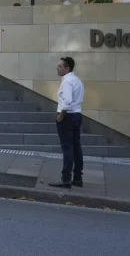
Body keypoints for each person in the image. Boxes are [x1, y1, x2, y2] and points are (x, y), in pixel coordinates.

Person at [49, 56, 85, 189]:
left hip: (67, 116)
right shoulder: (77, 80)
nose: (57, 68)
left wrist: (61, 115)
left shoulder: (67, 81)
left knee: (67, 148)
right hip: (77, 115)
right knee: (76, 147)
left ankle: (65, 179)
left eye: (60, 66)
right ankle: (77, 178)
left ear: (67, 68)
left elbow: (68, 101)